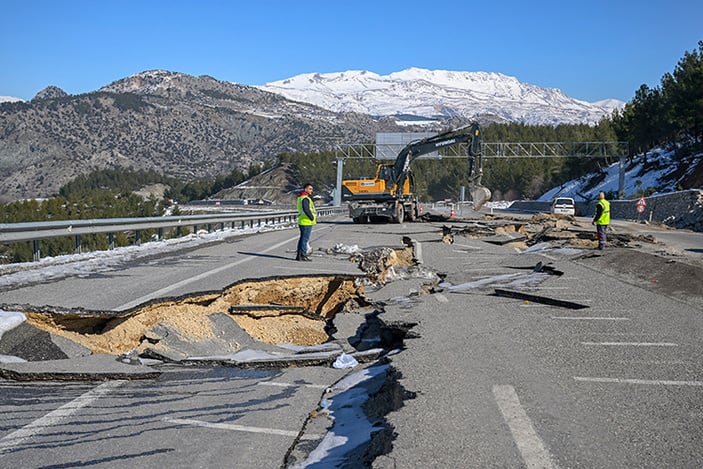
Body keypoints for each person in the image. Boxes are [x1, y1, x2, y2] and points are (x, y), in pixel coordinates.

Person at [296, 183, 316, 261]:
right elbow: (306, 209)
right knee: (305, 239)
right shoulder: (305, 198)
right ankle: (303, 255)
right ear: (305, 189)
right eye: (310, 189)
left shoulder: (301, 197)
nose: (311, 191)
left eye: (312, 189)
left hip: (303, 220)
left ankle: (299, 255)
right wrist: (311, 217)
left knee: (302, 239)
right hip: (306, 221)